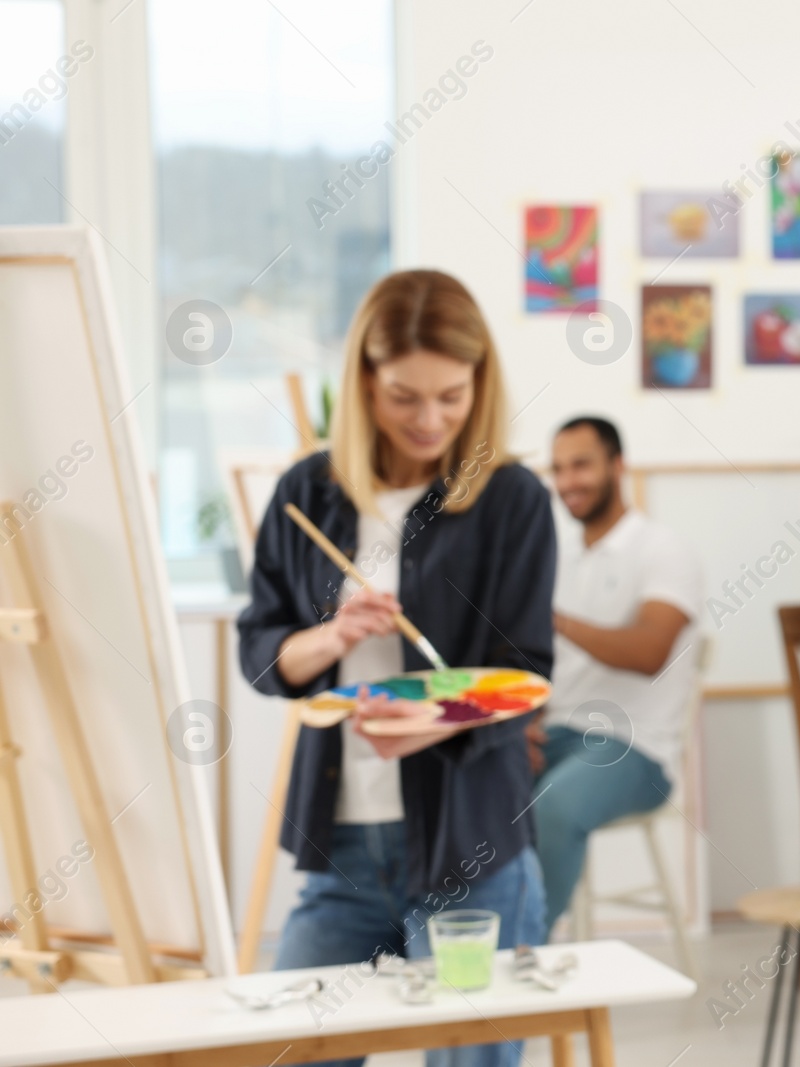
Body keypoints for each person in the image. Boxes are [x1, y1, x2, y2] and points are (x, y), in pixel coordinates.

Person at [238, 270, 556, 1067]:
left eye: (452, 395)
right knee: (289, 1052)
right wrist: (332, 635)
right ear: (363, 382)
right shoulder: (305, 492)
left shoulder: (511, 498)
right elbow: (262, 653)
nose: (430, 418)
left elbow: (524, 673)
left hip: (472, 845)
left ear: (479, 384)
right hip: (344, 846)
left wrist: (428, 722)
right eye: (404, 396)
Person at [527, 415, 702, 930]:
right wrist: (521, 725)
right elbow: (541, 663)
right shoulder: (560, 558)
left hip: (636, 749)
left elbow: (650, 651)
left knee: (553, 807)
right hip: (558, 736)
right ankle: (453, 939)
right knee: (471, 785)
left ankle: (521, 947)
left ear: (617, 466)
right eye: (558, 469)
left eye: (581, 465)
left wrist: (551, 617)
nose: (568, 482)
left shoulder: (663, 550)